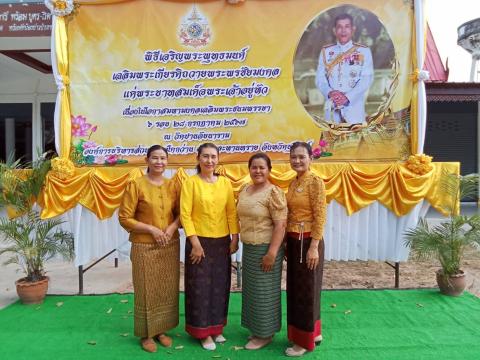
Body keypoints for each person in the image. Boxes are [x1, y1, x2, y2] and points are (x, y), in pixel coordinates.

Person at [118, 145, 181, 353]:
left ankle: (161, 329)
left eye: (163, 158)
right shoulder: (135, 185)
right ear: (147, 160)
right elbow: (125, 217)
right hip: (144, 244)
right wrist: (152, 229)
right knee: (146, 289)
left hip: (169, 244)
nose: (159, 162)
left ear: (167, 161)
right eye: (155, 158)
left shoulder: (173, 185)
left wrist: (172, 228)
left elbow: (182, 213)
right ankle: (146, 334)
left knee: (166, 288)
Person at [180, 142, 240, 351]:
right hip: (199, 243)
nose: (209, 160)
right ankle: (202, 332)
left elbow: (231, 213)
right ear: (198, 159)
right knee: (200, 288)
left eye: (213, 156)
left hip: (222, 242)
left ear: (218, 159)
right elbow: (185, 215)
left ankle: (217, 328)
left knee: (220, 286)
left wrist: (234, 237)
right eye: (205, 156)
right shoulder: (191, 183)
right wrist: (195, 243)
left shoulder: (225, 183)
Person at [236, 153, 287, 350]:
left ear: (269, 170)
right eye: (254, 167)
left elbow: (280, 225)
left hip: (267, 248)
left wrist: (272, 253)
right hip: (249, 248)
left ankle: (265, 334)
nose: (258, 171)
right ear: (249, 170)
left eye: (262, 168)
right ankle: (257, 329)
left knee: (265, 292)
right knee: (253, 292)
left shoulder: (274, 192)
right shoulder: (245, 190)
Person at [285, 142, 327, 357]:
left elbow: (320, 215)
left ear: (311, 158)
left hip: (308, 241)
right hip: (294, 241)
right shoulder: (294, 182)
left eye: (302, 157)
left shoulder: (315, 182)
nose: (297, 161)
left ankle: (303, 341)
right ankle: (314, 332)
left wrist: (314, 247)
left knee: (306, 291)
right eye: (293, 157)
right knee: (298, 289)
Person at [316, 13, 374, 126]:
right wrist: (330, 92)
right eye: (339, 27)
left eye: (347, 26)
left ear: (353, 29)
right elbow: (320, 79)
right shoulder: (326, 52)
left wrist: (347, 97)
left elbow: (366, 79)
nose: (343, 31)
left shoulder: (363, 51)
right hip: (332, 110)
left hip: (354, 109)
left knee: (355, 143)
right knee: (331, 142)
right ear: (334, 30)